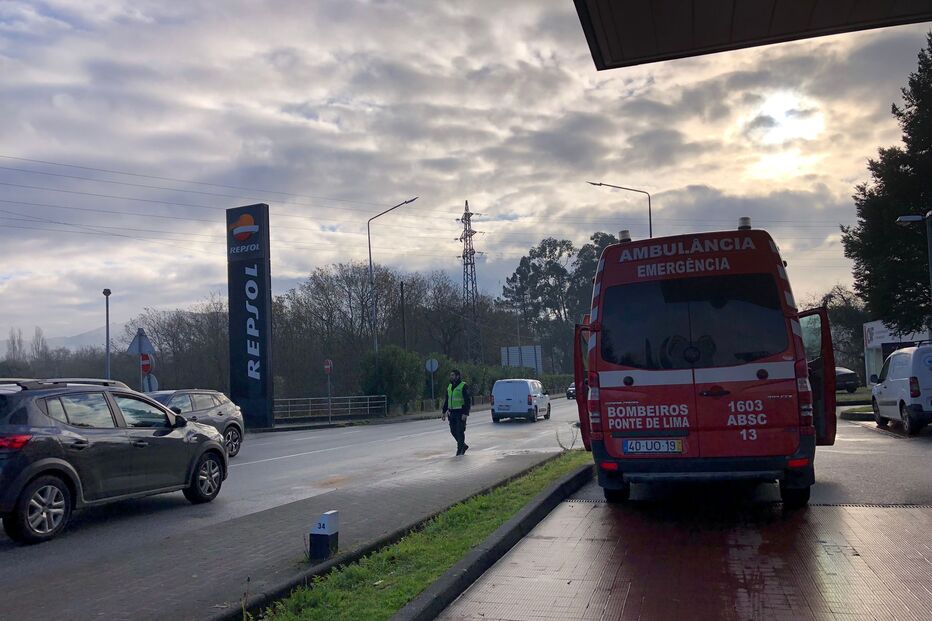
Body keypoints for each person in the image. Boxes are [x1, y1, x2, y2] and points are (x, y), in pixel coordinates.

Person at [441, 369, 471, 456]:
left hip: (460, 413)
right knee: (453, 431)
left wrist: (465, 413)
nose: (451, 377)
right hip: (451, 413)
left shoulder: (463, 386)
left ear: (458, 376)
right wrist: (444, 412)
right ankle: (463, 445)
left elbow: (467, 401)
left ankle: (460, 450)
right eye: (451, 375)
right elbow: (447, 400)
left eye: (453, 375)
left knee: (460, 431)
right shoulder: (449, 386)